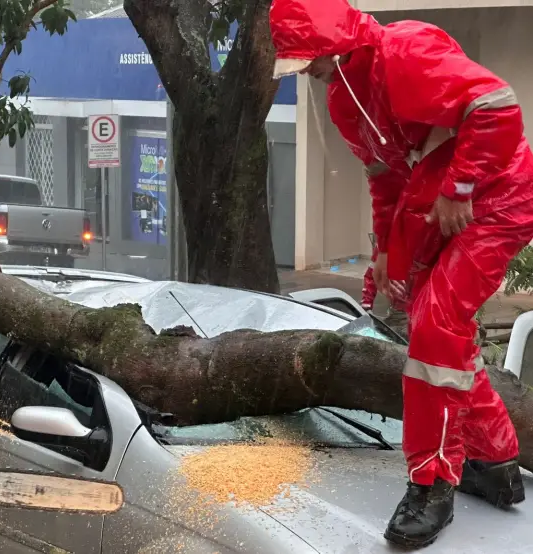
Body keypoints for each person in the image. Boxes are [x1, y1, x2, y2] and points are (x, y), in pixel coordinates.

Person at [270, 0, 533, 548]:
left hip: (499, 198)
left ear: (332, 43)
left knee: (437, 324)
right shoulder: (345, 97)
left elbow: (499, 109)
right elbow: (385, 181)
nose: (306, 71)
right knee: (437, 329)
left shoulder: (406, 50)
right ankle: (497, 458)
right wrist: (385, 256)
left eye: (308, 58)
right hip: (436, 206)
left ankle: (432, 483)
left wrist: (460, 188)